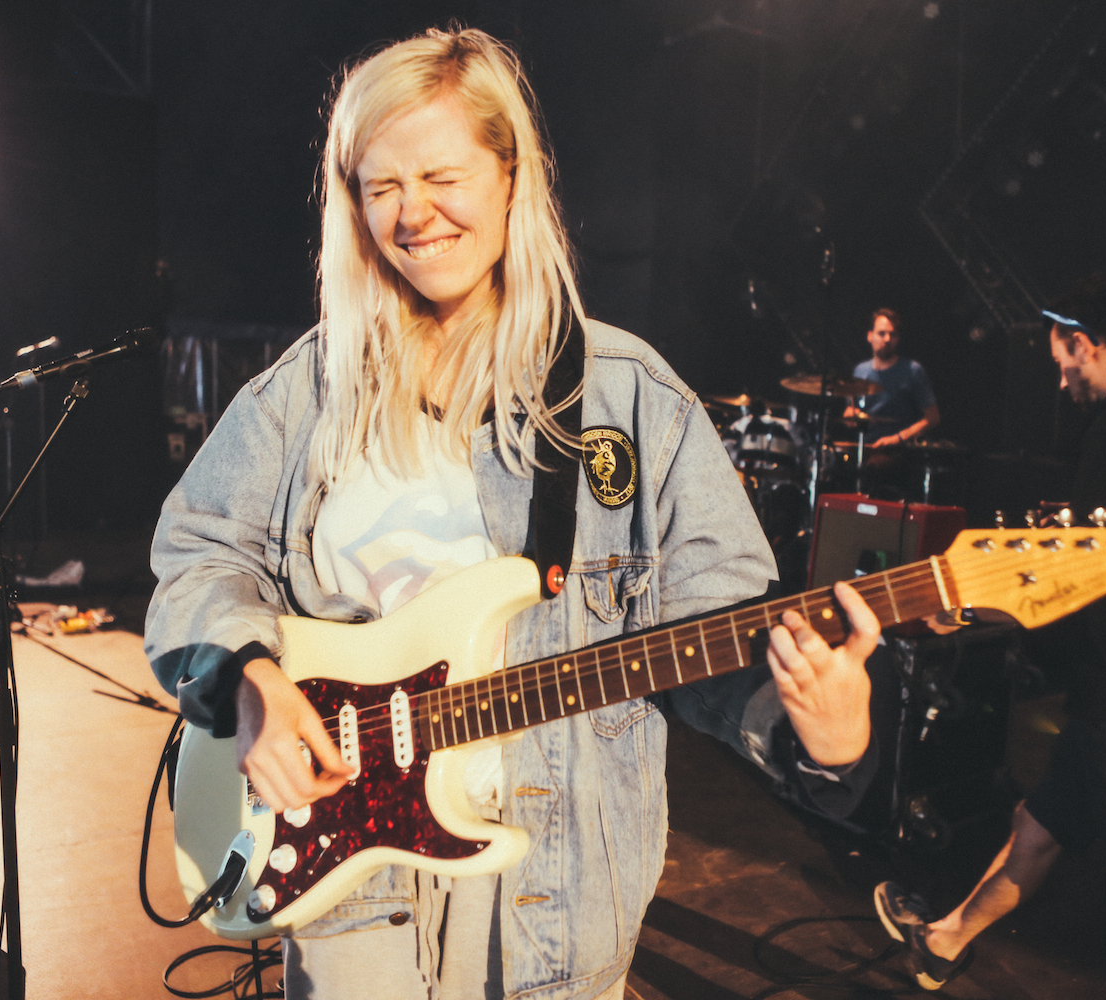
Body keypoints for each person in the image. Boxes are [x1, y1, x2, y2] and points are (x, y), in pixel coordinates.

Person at [145, 28, 884, 1000]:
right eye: (381, 187)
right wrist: (250, 681)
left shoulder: (632, 401)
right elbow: (197, 554)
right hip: (346, 879)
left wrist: (823, 732)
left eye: (442, 174)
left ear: (511, 175)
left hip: (559, 888)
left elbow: (716, 647)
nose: (413, 216)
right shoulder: (303, 394)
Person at [872, 275, 1106, 1000]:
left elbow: (1071, 576)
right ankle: (942, 944)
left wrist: (976, 609)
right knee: (1036, 824)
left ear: (1086, 342)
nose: (1062, 376)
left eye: (1063, 359)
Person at [849, 308, 939, 449]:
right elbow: (851, 409)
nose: (887, 339)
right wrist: (850, 415)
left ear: (898, 339)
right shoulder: (860, 370)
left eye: (893, 334)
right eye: (881, 333)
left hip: (899, 450)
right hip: (865, 446)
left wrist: (898, 438)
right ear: (870, 336)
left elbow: (932, 418)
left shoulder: (912, 370)